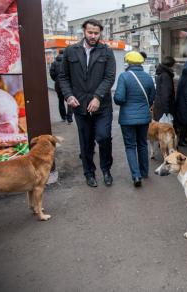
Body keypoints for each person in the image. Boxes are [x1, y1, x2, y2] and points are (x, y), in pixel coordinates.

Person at [59, 19, 116, 188]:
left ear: (100, 33)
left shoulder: (106, 51)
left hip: (102, 105)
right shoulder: (71, 51)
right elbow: (63, 77)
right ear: (84, 31)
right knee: (86, 141)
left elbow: (109, 77)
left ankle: (106, 170)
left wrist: (98, 97)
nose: (93, 36)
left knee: (104, 137)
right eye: (90, 32)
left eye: (96, 33)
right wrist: (68, 96)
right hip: (79, 106)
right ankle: (89, 173)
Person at [113, 51, 155, 187]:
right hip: (144, 117)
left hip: (127, 119)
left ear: (128, 62)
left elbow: (119, 99)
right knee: (142, 144)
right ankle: (145, 172)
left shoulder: (124, 77)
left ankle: (136, 176)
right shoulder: (148, 78)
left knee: (130, 146)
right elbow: (152, 97)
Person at [49, 49, 73, 124]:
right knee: (70, 100)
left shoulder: (54, 63)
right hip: (68, 85)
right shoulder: (68, 62)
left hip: (58, 85)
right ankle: (69, 118)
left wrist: (56, 80)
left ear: (58, 53)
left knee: (61, 101)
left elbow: (52, 74)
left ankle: (63, 117)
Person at [153, 56, 176, 122]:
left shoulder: (160, 73)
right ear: (171, 65)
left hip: (159, 107)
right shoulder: (166, 76)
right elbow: (166, 94)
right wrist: (166, 111)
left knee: (161, 129)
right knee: (165, 130)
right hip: (163, 110)